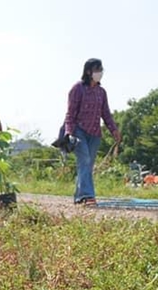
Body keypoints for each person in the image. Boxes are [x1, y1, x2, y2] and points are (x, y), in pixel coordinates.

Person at [65, 58, 122, 206]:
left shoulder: (101, 92)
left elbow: (106, 113)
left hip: (95, 133)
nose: (100, 73)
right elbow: (70, 113)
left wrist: (114, 130)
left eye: (101, 70)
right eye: (97, 70)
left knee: (87, 165)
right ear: (88, 71)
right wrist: (69, 132)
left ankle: (79, 197)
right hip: (78, 131)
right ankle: (87, 195)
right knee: (84, 160)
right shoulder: (77, 89)